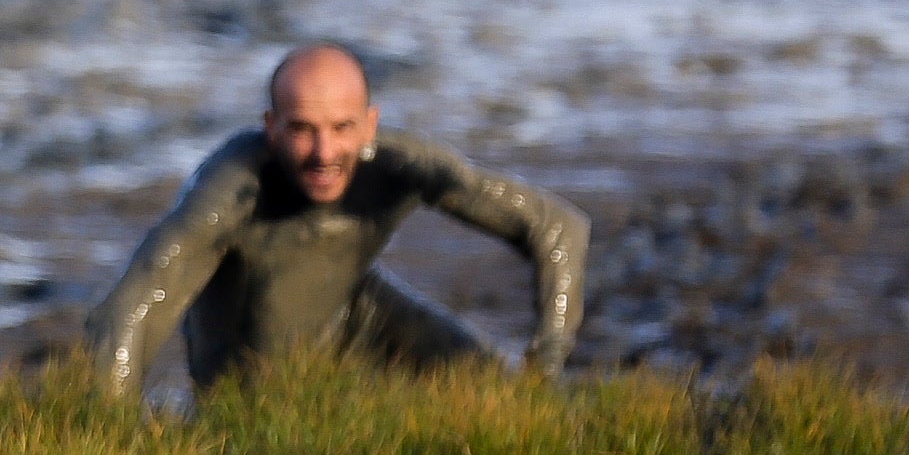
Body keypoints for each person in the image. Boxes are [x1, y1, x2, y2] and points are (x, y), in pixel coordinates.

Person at [32, 44, 588, 399]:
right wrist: (118, 437)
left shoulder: (401, 166)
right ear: (270, 128)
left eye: (342, 127)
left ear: (370, 125)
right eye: (301, 130)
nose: (324, 152)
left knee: (515, 401)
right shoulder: (234, 189)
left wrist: (549, 357)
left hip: (360, 321)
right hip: (250, 386)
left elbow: (558, 228)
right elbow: (132, 307)